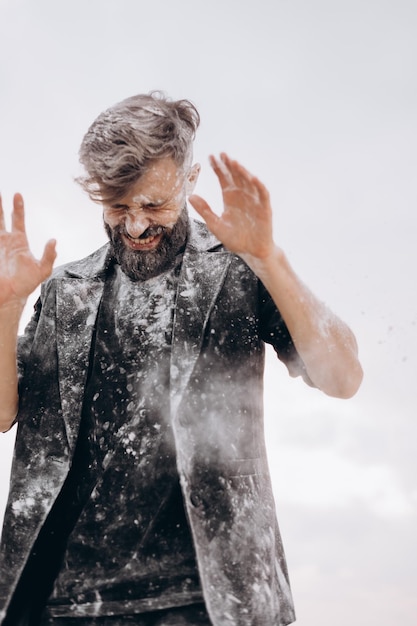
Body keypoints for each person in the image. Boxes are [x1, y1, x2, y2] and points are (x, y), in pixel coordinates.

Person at [0, 92, 363, 626]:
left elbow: (343, 377)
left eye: (154, 206)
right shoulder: (64, 291)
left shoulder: (240, 272)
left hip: (209, 601)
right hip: (66, 601)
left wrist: (269, 258)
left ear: (190, 180)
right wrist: (8, 305)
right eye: (118, 208)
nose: (136, 227)